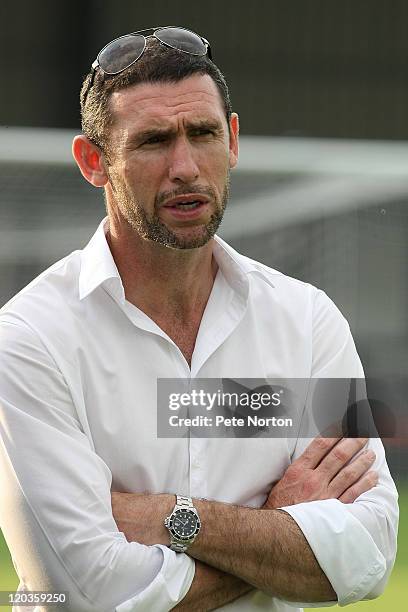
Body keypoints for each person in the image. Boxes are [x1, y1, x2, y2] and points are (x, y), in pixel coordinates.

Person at [0, 26, 398, 612]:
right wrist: (276, 533)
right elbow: (90, 592)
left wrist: (171, 518)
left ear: (232, 140)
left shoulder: (309, 319)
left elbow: (369, 554)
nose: (185, 166)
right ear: (93, 162)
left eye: (203, 133)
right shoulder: (29, 340)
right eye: (154, 141)